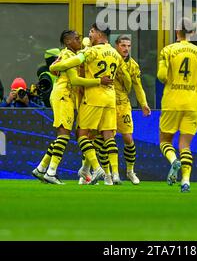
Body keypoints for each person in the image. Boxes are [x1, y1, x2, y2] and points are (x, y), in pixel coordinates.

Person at [50, 23, 132, 186]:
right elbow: (127, 78)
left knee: (82, 134)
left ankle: (97, 169)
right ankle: (114, 175)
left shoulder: (91, 51)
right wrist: (126, 91)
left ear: (99, 34)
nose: (89, 35)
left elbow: (70, 63)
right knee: (108, 136)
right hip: (111, 98)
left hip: (93, 97)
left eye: (92, 32)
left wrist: (54, 66)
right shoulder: (115, 54)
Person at [32, 30, 107, 184]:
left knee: (62, 135)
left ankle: (41, 168)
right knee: (64, 135)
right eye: (76, 38)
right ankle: (51, 172)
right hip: (63, 94)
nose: (79, 40)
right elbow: (74, 80)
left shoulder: (68, 54)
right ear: (68, 42)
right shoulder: (68, 55)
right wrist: (99, 81)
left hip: (65, 96)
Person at [157, 18, 197, 193]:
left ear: (176, 31)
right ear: (192, 33)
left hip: (172, 101)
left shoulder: (168, 50)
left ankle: (174, 161)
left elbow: (161, 76)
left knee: (165, 140)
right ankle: (186, 181)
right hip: (193, 102)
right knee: (185, 145)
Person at [113, 35, 151, 184]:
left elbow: (138, 86)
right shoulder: (111, 59)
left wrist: (144, 104)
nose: (126, 49)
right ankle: (103, 172)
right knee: (100, 138)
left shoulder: (133, 65)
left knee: (128, 139)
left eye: (128, 46)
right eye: (123, 45)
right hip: (108, 102)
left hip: (123, 104)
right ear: (116, 46)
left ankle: (130, 171)